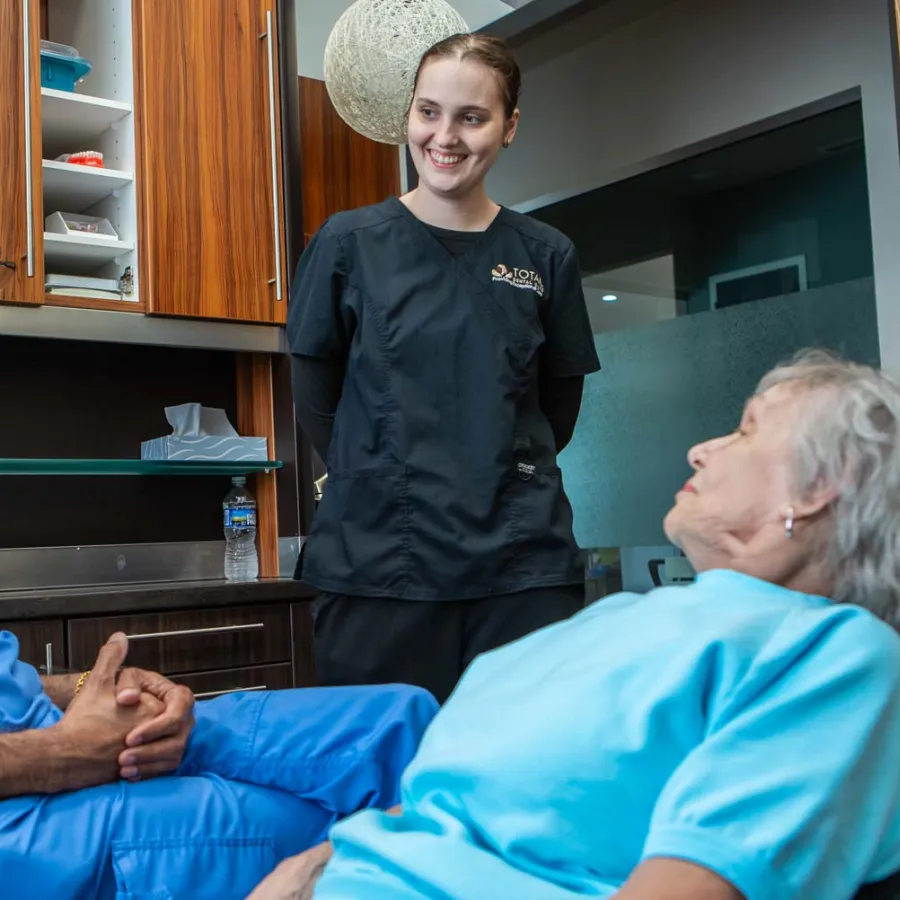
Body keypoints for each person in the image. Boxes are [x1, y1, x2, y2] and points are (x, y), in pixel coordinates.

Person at [250, 350, 900, 900]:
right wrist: (322, 861)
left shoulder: (835, 654)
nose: (701, 450)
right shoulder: (627, 616)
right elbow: (461, 795)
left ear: (819, 488)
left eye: (746, 431)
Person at [288, 33, 600, 703]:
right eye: (428, 112)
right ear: (408, 116)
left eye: (471, 117)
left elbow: (556, 410)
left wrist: (494, 468)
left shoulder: (547, 256)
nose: (445, 136)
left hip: (521, 572)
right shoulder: (347, 244)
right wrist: (383, 468)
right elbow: (319, 402)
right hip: (380, 568)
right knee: (386, 779)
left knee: (523, 774)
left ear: (509, 127)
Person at [0, 629, 437, 898]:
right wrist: (65, 751)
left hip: (53, 732)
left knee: (398, 722)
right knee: (341, 828)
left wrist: (90, 690)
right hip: (23, 816)